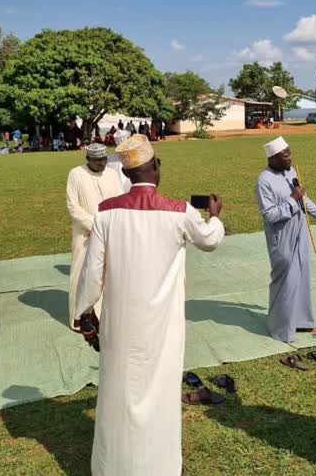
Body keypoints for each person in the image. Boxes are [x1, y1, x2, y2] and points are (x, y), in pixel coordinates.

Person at [75, 134, 225, 476]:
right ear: (156, 166)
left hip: (119, 322)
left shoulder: (106, 214)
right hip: (162, 324)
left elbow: (92, 275)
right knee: (159, 390)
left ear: (127, 175)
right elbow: (210, 240)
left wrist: (84, 314)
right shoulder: (180, 211)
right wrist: (214, 216)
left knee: (117, 391)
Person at [255, 136, 316, 342]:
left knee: (302, 277)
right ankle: (280, 328)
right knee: (286, 281)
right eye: (285, 155)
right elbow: (271, 215)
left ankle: (302, 322)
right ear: (273, 158)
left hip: (301, 232)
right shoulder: (263, 181)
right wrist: (293, 199)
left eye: (290, 152)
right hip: (282, 237)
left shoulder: (291, 172)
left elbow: (305, 202)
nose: (290, 158)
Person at [65, 143, 124, 329]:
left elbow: (120, 201)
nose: (102, 163)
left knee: (107, 275)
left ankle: (102, 317)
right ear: (88, 159)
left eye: (104, 159)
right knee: (81, 274)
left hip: (110, 232)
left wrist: (111, 226)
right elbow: (73, 207)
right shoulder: (76, 174)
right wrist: (94, 226)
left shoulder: (112, 174)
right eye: (97, 160)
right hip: (85, 233)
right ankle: (79, 319)